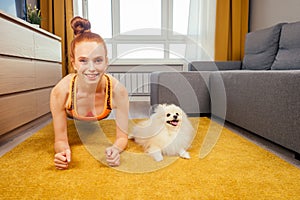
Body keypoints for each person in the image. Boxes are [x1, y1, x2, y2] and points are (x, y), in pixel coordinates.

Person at [50, 16, 129, 170]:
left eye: (98, 60)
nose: (91, 68)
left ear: (106, 62)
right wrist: (62, 152)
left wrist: (116, 149)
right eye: (83, 61)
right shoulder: (60, 92)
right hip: (72, 114)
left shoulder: (118, 91)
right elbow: (60, 140)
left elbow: (122, 137)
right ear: (73, 63)